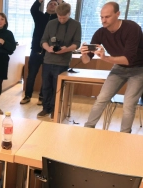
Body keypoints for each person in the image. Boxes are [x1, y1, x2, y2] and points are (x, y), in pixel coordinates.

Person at [81, 2, 143, 133]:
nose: (103, 20)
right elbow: (86, 61)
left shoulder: (132, 28)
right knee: (101, 99)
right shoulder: (100, 32)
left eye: (107, 17)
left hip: (139, 68)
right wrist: (84, 53)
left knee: (128, 104)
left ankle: (125, 135)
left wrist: (105, 58)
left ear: (117, 14)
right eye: (102, 17)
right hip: (119, 68)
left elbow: (128, 59)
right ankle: (87, 129)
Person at [38, 3, 81, 119]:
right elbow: (43, 40)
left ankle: (55, 109)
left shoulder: (76, 25)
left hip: (62, 62)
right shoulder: (51, 23)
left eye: (64, 17)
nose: (61, 20)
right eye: (59, 17)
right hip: (48, 60)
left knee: (57, 88)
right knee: (46, 87)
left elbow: (77, 43)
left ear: (69, 14)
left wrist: (66, 49)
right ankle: (45, 108)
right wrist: (48, 48)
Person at [20, 0, 62, 105]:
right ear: (46, 7)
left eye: (55, 4)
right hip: (36, 51)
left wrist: (61, 3)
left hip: (50, 53)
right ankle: (27, 96)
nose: (52, 5)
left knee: (46, 76)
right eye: (50, 4)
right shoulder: (40, 16)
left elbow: (65, 11)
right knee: (31, 75)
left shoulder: (59, 20)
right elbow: (33, 9)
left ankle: (42, 97)